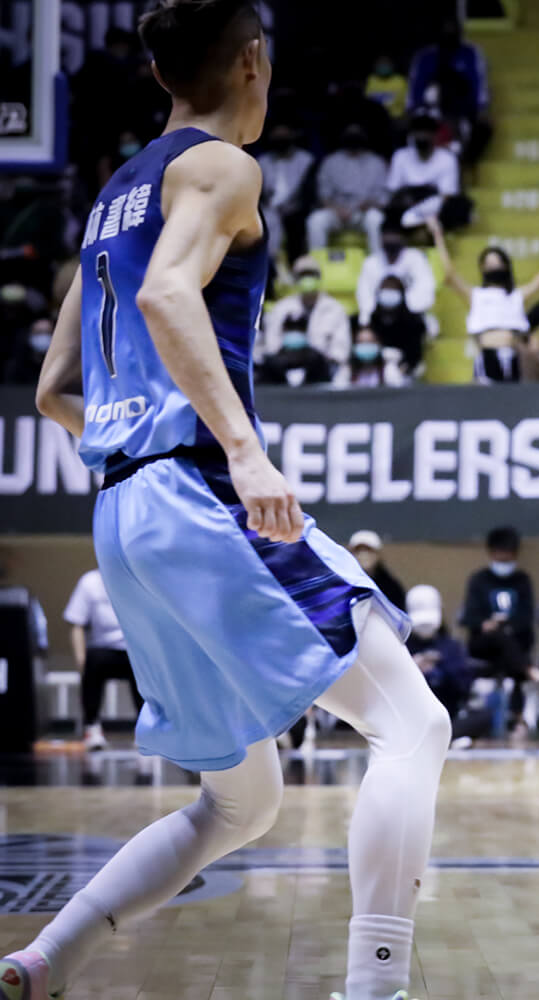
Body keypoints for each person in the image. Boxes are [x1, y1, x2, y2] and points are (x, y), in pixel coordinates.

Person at [7, 5, 449, 1000]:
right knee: (415, 726)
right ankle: (376, 990)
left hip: (123, 514)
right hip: (196, 489)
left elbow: (53, 391)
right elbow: (168, 294)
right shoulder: (221, 166)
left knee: (239, 805)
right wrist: (242, 455)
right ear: (253, 60)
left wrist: (134, 446)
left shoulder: (113, 196)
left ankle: (42, 962)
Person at [429, 216, 539, 383]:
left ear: (506, 267)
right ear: (482, 269)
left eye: (497, 263)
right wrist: (438, 236)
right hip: (487, 355)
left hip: (514, 355)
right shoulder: (476, 296)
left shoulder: (516, 296)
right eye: (489, 264)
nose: (493, 268)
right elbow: (449, 273)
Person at [459, 526, 539, 739]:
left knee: (509, 649)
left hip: (514, 643)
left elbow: (527, 616)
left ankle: (514, 714)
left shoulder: (522, 580)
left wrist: (507, 624)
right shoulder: (479, 580)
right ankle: (528, 677)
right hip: (484, 644)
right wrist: (485, 624)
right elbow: (468, 617)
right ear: (491, 553)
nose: (504, 560)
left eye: (508, 555)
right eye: (500, 555)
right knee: (501, 640)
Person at [63, 567, 143, 752]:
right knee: (92, 663)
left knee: (144, 672)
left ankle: (144, 730)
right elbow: (76, 623)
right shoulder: (89, 582)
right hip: (102, 649)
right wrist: (80, 657)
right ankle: (92, 727)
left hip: (133, 649)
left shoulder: (138, 576)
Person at [404, 584, 487, 746]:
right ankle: (443, 739)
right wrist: (413, 668)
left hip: (448, 715)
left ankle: (442, 738)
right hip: (411, 716)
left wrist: (441, 668)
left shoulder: (451, 647)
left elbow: (464, 688)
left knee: (483, 716)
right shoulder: (401, 647)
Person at [406, 17, 491, 162]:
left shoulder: (470, 53)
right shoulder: (425, 56)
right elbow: (415, 85)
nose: (449, 32)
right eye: (445, 29)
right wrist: (412, 108)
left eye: (452, 29)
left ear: (459, 31)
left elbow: (479, 81)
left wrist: (482, 107)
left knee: (483, 128)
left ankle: (464, 163)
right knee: (408, 130)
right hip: (428, 110)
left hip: (461, 110)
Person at [306, 125, 389, 252]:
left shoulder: (376, 162)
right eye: (350, 134)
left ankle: (377, 261)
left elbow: (383, 196)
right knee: (315, 220)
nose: (353, 137)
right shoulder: (331, 161)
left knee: (376, 219)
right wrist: (336, 209)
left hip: (363, 212)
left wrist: (368, 204)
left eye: (357, 134)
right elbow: (323, 195)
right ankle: (317, 261)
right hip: (336, 212)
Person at [259, 255, 352, 366]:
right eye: (303, 276)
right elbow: (272, 344)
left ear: (319, 278)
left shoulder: (335, 309)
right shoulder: (281, 308)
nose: (307, 279)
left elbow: (341, 349)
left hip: (324, 369)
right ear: (296, 280)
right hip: (287, 367)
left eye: (311, 275)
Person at [385, 111, 464, 230]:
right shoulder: (400, 155)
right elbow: (393, 189)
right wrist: (409, 203)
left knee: (458, 207)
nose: (421, 136)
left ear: (435, 135)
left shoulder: (447, 158)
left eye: (426, 132)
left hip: (435, 205)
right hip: (405, 204)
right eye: (418, 132)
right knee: (390, 212)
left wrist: (423, 208)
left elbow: (448, 194)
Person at [254, 122, 314, 266]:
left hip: (298, 208)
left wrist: (295, 207)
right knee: (267, 220)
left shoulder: (306, 160)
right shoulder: (262, 161)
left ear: (293, 135)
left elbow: (310, 191)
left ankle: (299, 266)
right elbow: (258, 193)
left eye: (284, 134)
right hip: (270, 208)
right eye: (277, 134)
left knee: (298, 222)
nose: (280, 138)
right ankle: (271, 267)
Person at [355, 220, 436, 325]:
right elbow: (363, 293)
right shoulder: (371, 261)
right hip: (378, 314)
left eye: (394, 235)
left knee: (429, 323)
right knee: (363, 321)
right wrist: (381, 307)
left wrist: (401, 306)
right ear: (381, 238)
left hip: (410, 313)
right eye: (387, 235)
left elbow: (426, 290)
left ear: (403, 237)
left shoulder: (416, 257)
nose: (391, 239)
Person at [363, 278, 427, 378]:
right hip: (372, 372)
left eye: (393, 289)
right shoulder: (371, 320)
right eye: (385, 289)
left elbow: (415, 354)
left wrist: (403, 367)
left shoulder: (414, 322)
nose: (389, 294)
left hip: (406, 371)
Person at [348, 530, 406, 611]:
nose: (363, 555)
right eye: (358, 551)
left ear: (378, 554)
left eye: (368, 550)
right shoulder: (344, 583)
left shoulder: (392, 588)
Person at [339, 326, 406, 388]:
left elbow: (398, 390)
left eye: (369, 341)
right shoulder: (347, 370)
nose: (365, 346)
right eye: (361, 342)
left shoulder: (388, 368)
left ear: (378, 343)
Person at [3, 317, 53, 385]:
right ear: (30, 335)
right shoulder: (15, 367)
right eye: (39, 332)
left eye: (47, 333)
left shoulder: (57, 365)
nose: (43, 337)